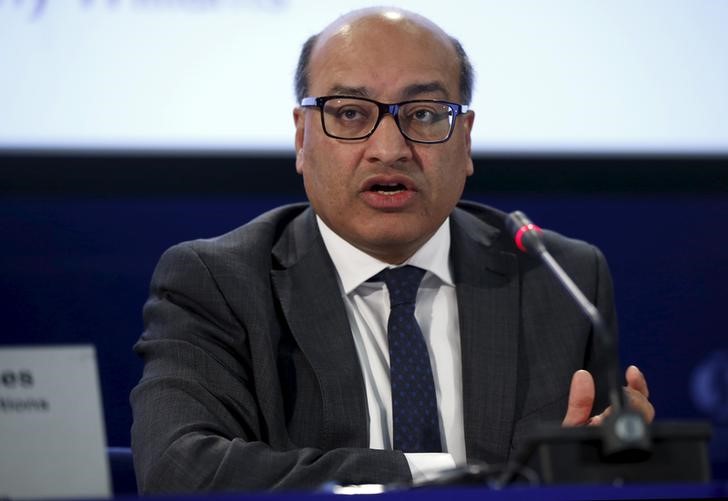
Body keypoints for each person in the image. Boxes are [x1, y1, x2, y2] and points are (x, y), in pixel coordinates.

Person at [130, 7, 654, 493]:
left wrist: (616, 457)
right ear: (301, 138)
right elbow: (180, 469)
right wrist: (451, 478)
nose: (389, 148)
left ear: (465, 141)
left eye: (425, 115)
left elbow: (604, 477)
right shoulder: (217, 282)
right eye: (351, 113)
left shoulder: (561, 278)